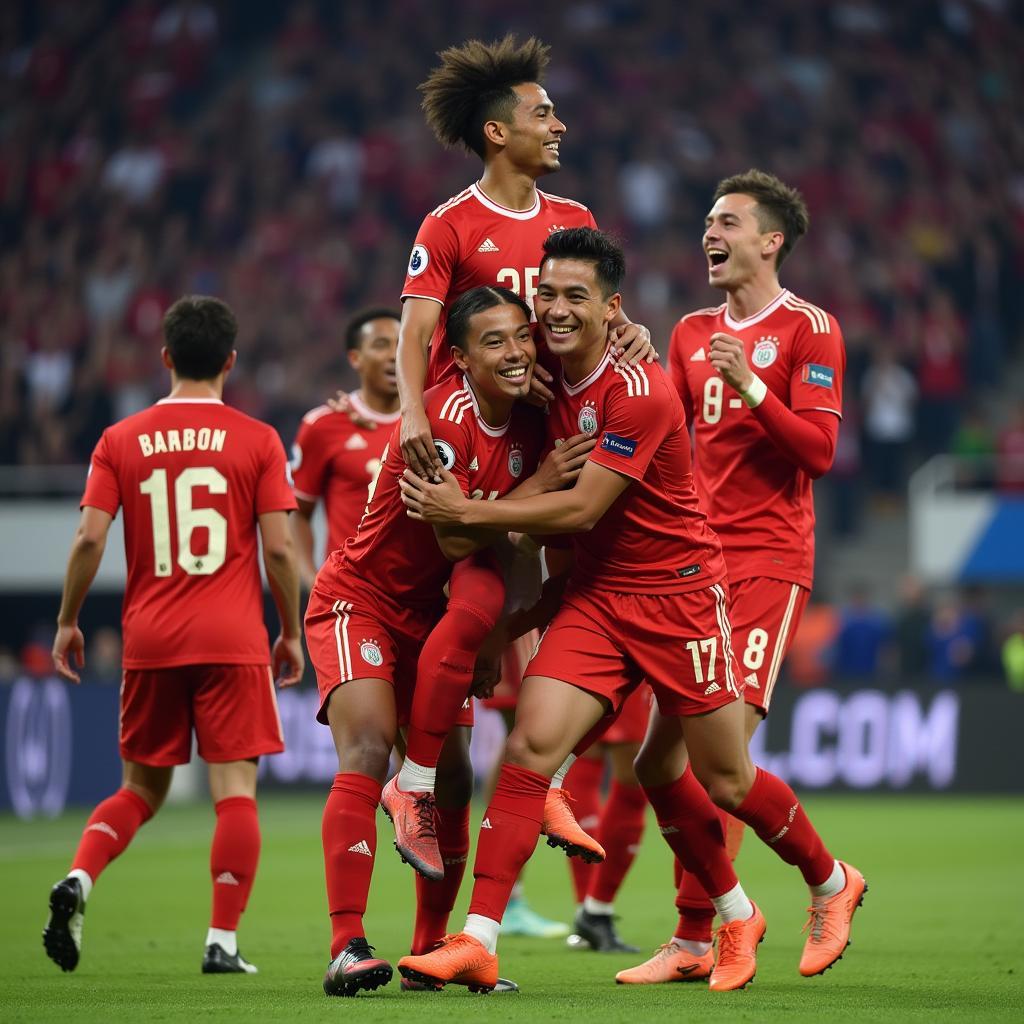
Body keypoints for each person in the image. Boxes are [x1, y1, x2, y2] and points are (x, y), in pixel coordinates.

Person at [397, 228, 865, 993]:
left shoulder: (640, 390)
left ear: (611, 307)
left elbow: (581, 507)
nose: (552, 309)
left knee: (724, 778)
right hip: (598, 599)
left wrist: (465, 509)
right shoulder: (542, 368)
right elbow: (471, 348)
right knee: (527, 753)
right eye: (545, 293)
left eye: (574, 296)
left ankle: (828, 880)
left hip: (680, 597)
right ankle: (479, 938)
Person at [385, 34, 653, 932]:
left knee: (544, 603)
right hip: (477, 445)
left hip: (558, 443)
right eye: (544, 113)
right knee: (482, 600)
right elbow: (418, 331)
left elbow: (601, 308)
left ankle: (535, 784)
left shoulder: (569, 213)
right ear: (498, 131)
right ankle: (425, 780)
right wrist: (416, 417)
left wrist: (637, 337)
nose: (559, 123)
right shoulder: (448, 224)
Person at [304, 286, 587, 997]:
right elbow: (455, 532)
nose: (518, 352)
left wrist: (498, 635)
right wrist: (536, 494)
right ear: (459, 359)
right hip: (361, 600)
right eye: (495, 342)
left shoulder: (530, 425)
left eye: (521, 337)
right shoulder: (439, 424)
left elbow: (511, 548)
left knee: (459, 780)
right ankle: (347, 945)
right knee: (368, 749)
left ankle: (431, 952)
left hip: (439, 617)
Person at [616, 168, 855, 984]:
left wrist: (751, 382)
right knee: (658, 766)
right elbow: (668, 443)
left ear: (770, 240)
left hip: (765, 562)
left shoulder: (810, 330)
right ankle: (693, 937)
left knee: (724, 764)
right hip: (690, 564)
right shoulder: (685, 333)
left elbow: (819, 453)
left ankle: (823, 887)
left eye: (727, 221)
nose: (709, 233)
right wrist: (634, 368)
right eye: (706, 221)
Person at [44, 295, 303, 976]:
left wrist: (69, 620)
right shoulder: (257, 439)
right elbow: (279, 552)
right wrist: (291, 632)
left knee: (140, 792)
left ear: (164, 358)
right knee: (236, 793)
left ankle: (80, 880)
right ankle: (221, 942)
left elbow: (89, 537)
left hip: (151, 639)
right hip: (232, 638)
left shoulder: (120, 439)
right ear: (231, 361)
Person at [290, 309, 400, 589]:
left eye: (402, 344)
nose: (393, 355)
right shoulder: (323, 426)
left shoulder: (432, 419)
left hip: (422, 595)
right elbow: (298, 513)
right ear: (355, 358)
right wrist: (311, 582)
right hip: (351, 593)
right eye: (380, 344)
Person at [562, 683, 650, 953]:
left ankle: (587, 908)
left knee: (585, 758)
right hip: (636, 653)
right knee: (635, 781)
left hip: (584, 652)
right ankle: (594, 910)